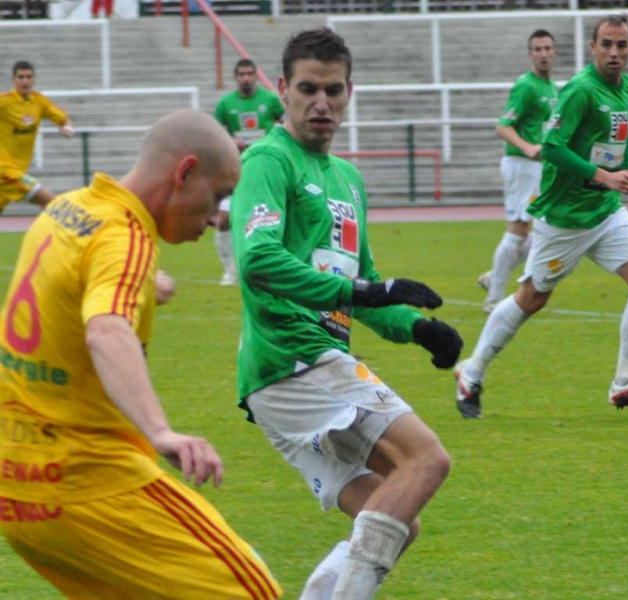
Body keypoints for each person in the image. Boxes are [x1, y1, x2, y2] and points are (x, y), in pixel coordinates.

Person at [0, 109, 282, 600]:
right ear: (184, 172)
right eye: (217, 196)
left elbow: (74, 283)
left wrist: (148, 282)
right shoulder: (126, 241)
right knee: (255, 592)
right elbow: (106, 330)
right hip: (92, 486)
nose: (216, 217)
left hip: (19, 493)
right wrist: (160, 431)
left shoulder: (67, 210)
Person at [229, 28, 463, 600]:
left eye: (333, 90)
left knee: (395, 516)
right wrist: (369, 290)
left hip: (300, 369)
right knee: (426, 461)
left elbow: (363, 287)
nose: (321, 102)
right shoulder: (268, 159)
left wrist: (418, 328)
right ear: (281, 89)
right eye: (307, 88)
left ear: (349, 93)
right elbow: (258, 260)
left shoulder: (348, 179)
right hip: (291, 355)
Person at [455, 14, 628, 419]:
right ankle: (472, 371)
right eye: (606, 44)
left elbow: (618, 139)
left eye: (621, 45)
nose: (613, 52)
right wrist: (605, 176)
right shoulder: (580, 90)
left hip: (604, 211)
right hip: (564, 218)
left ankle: (626, 382)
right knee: (532, 298)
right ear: (593, 47)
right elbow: (553, 146)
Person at [477, 29, 558, 314]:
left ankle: (495, 277)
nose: (543, 54)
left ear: (554, 52)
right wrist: (527, 147)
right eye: (538, 49)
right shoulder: (526, 86)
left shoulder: (551, 88)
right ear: (530, 54)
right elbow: (503, 126)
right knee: (520, 228)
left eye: (547, 48)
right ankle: (494, 298)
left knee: (538, 230)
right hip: (522, 165)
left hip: (538, 167)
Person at [213, 58, 285, 286]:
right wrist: (230, 140)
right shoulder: (226, 104)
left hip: (264, 167)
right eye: (242, 74)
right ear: (236, 78)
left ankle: (274, 268)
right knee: (223, 220)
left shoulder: (270, 100)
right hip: (235, 169)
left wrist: (273, 139)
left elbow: (288, 124)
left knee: (272, 217)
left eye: (249, 74)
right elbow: (214, 133)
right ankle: (230, 270)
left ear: (255, 76)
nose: (246, 78)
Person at [0, 61, 74, 214]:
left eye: (29, 77)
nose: (25, 81)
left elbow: (63, 118)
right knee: (50, 201)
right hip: (5, 170)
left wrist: (67, 127)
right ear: (13, 79)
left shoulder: (40, 101)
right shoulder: (5, 101)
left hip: (18, 170)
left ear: (34, 79)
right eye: (21, 77)